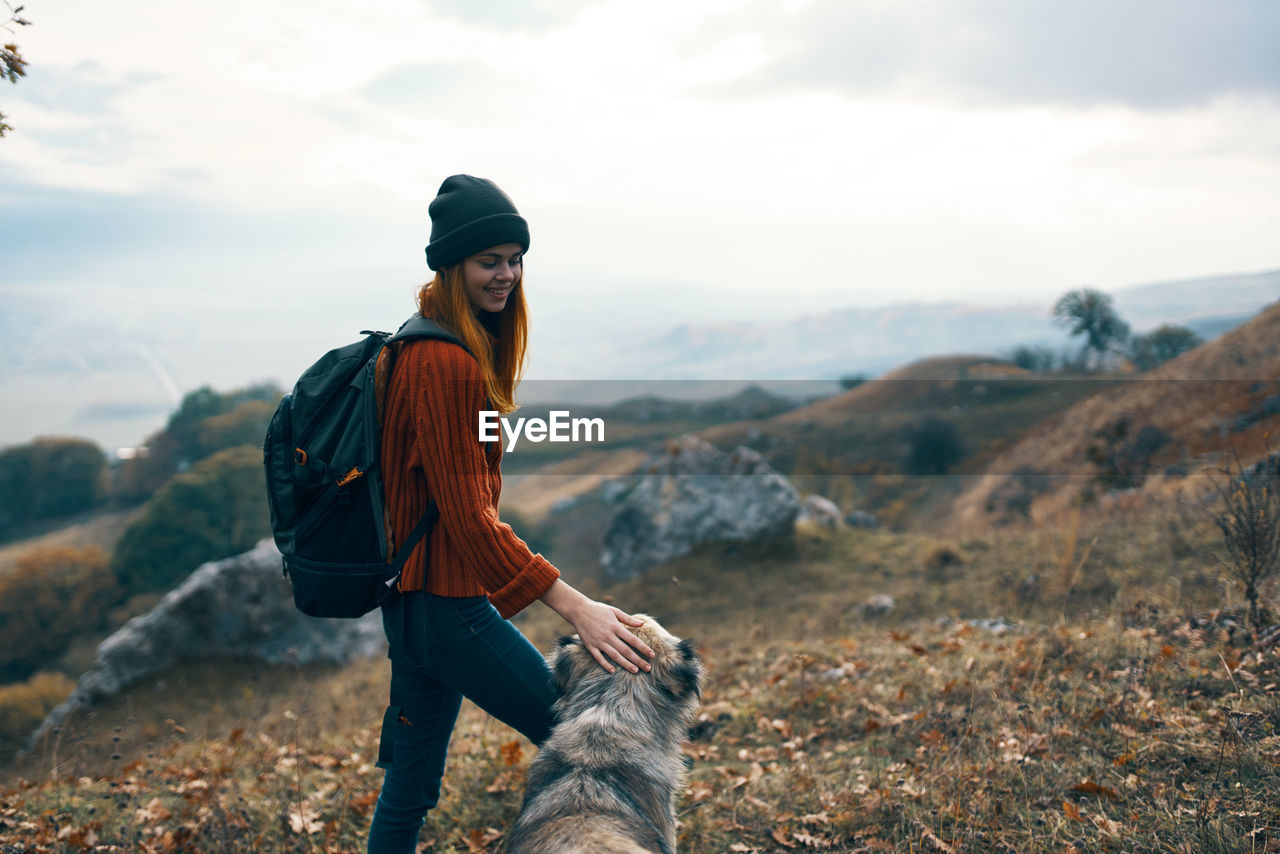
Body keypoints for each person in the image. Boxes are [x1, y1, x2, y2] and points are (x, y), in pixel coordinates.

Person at [366, 174, 655, 853]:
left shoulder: (419, 344)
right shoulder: (443, 363)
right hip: (445, 609)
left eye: (514, 258)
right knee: (584, 746)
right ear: (452, 265)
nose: (506, 275)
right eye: (488, 261)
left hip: (413, 603)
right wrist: (575, 606)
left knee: (408, 789)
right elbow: (469, 521)